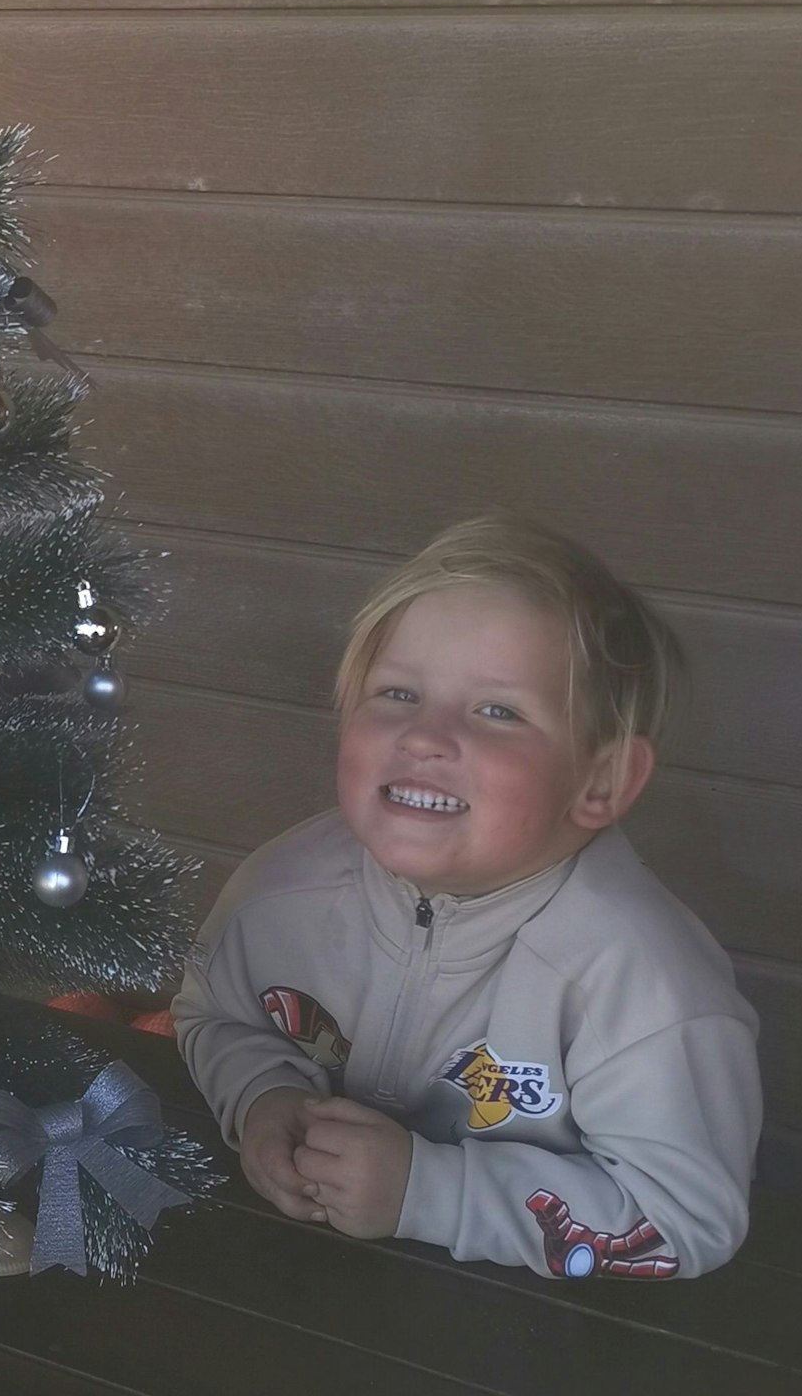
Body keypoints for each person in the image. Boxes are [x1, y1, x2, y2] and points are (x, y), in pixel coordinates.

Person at [172, 514, 760, 1278]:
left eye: (497, 711)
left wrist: (430, 1193)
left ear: (602, 781)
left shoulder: (643, 982)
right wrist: (263, 1101)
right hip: (291, 1284)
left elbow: (687, 1219)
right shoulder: (282, 888)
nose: (425, 735)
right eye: (398, 693)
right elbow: (212, 1011)